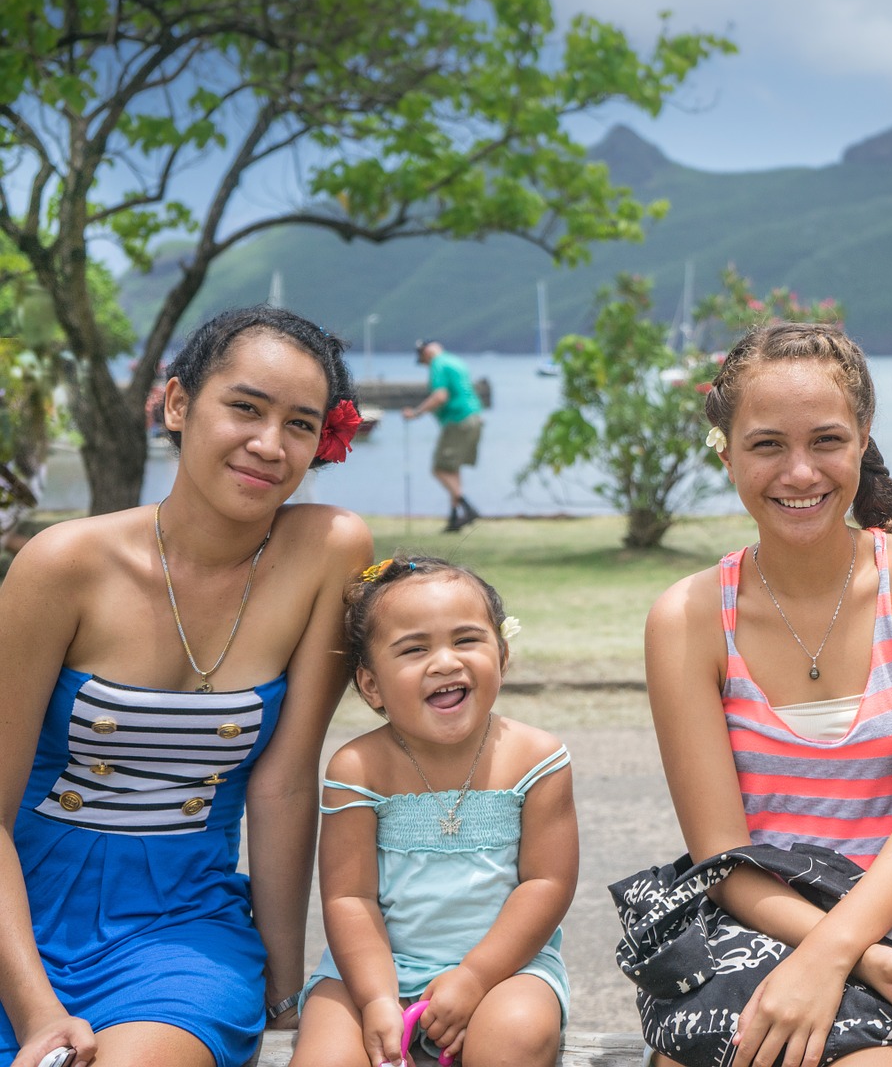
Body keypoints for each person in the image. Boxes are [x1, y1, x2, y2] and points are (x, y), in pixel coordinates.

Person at [0, 305, 373, 1067]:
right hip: (17, 917)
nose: (269, 445)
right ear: (177, 404)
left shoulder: (329, 551)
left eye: (300, 425)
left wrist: (283, 989)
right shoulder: (62, 565)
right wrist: (35, 1009)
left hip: (181, 927)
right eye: (244, 407)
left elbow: (283, 783)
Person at [644, 322, 892, 1067]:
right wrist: (833, 954)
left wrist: (843, 953)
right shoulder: (687, 619)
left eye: (826, 440)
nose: (800, 472)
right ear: (725, 451)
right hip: (749, 927)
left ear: (864, 437)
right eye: (767, 445)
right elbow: (723, 855)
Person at [291, 555, 577, 1067]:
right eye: (414, 649)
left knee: (514, 1037)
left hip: (505, 968)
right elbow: (350, 897)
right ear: (371, 685)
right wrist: (378, 997)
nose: (445, 662)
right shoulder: (358, 767)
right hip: (370, 969)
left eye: (466, 640)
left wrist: (474, 977)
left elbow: (546, 883)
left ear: (502, 654)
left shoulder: (536, 757)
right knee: (324, 1058)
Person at [402, 340, 484, 532]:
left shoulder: (438, 364)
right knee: (452, 469)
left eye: (423, 359)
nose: (425, 365)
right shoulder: (454, 361)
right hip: (473, 418)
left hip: (458, 420)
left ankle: (467, 507)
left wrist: (415, 413)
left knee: (439, 469)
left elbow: (440, 396)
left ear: (427, 352)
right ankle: (455, 518)